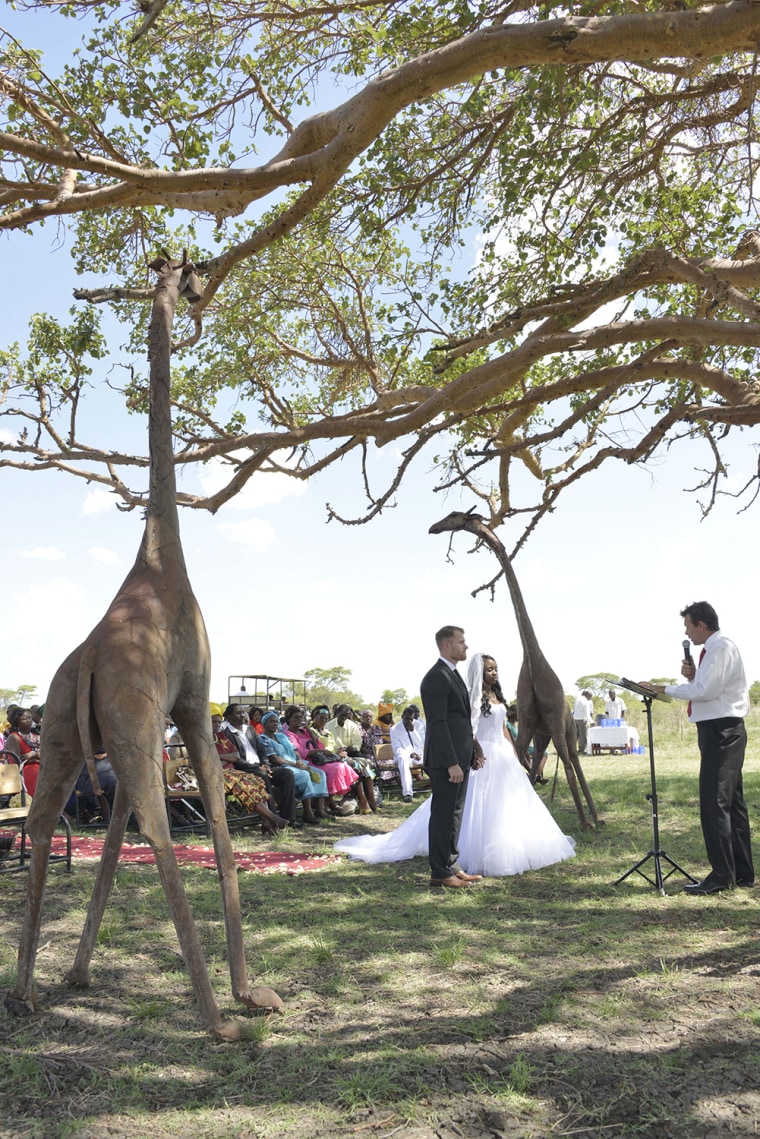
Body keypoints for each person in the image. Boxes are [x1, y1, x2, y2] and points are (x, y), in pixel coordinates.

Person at [335, 651, 576, 878]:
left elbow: (503, 729)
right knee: (477, 802)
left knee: (511, 800)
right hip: (482, 754)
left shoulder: (497, 697)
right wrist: (476, 750)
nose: (495, 673)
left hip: (502, 753)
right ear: (479, 672)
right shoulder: (472, 697)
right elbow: (469, 729)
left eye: (496, 669)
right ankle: (473, 850)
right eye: (490, 670)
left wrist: (514, 754)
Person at [642, 601, 753, 895]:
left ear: (701, 625)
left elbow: (706, 691)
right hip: (721, 729)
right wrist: (693, 676)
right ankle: (741, 872)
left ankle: (721, 875)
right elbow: (705, 686)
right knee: (732, 803)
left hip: (722, 731)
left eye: (688, 626)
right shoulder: (714, 651)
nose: (687, 633)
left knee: (714, 803)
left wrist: (662, 688)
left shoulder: (720, 648)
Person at [211, 712, 289, 835]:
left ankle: (267, 822)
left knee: (256, 781)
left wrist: (219, 757)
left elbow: (236, 756)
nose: (217, 724)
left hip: (232, 771)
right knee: (244, 786)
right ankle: (273, 818)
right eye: (213, 722)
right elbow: (209, 760)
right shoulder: (202, 739)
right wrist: (224, 758)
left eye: (218, 722)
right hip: (216, 774)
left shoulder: (221, 736)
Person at [220, 703, 297, 824]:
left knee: (287, 774)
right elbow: (237, 759)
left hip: (261, 766)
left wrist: (265, 764)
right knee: (263, 776)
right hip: (245, 769)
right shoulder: (227, 733)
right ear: (229, 716)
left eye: (243, 712)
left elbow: (261, 751)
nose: (242, 715)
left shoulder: (249, 729)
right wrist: (258, 767)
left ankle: (289, 818)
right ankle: (273, 820)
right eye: (238, 713)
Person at [257, 708, 331, 823]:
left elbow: (295, 751)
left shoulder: (282, 736)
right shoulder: (263, 739)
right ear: (264, 723)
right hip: (283, 766)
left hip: (296, 763)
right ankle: (308, 812)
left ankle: (320, 809)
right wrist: (295, 764)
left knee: (320, 773)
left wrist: (300, 760)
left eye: (276, 721)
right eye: (271, 721)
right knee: (304, 775)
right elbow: (275, 759)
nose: (275, 724)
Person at [389, 705, 427, 802]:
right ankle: (407, 794)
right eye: (406, 719)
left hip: (419, 755)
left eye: (411, 719)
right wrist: (410, 754)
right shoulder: (394, 729)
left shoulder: (418, 725)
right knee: (403, 760)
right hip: (403, 754)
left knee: (432, 757)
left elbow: (421, 743)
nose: (408, 722)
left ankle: (436, 786)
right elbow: (397, 748)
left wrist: (413, 731)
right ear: (402, 717)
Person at [4, 707, 41, 796]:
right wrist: (36, 758)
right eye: (24, 719)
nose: (28, 721)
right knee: (34, 774)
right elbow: (16, 762)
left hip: (41, 768)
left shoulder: (37, 735)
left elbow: (46, 756)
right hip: (23, 772)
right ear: (17, 722)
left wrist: (32, 754)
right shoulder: (14, 737)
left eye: (29, 718)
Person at [573, 690, 594, 754]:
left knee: (576, 735)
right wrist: (592, 722)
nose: (590, 698)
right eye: (590, 696)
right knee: (583, 735)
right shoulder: (586, 702)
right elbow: (587, 714)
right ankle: (582, 750)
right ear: (587, 695)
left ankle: (572, 748)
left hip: (575, 719)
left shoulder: (577, 699)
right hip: (582, 719)